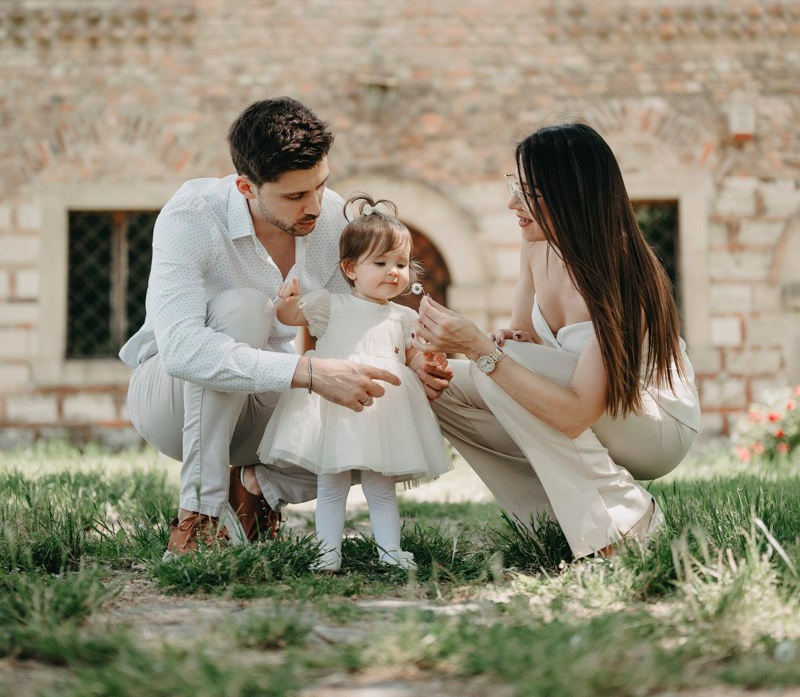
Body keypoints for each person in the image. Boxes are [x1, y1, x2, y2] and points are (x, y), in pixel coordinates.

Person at [120, 98, 402, 559]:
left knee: (389, 404)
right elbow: (182, 350)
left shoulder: (333, 220)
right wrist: (310, 374)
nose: (314, 206)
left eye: (320, 186)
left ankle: (256, 488)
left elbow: (355, 324)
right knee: (244, 309)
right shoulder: (193, 214)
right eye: (294, 197)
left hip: (267, 404)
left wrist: (408, 361)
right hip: (172, 401)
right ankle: (199, 516)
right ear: (246, 187)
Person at [415, 122, 701, 560]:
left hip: (652, 424)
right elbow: (522, 340)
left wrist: (484, 349)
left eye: (529, 192)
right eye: (515, 186)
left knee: (496, 367)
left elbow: (575, 413)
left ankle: (629, 520)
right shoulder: (537, 246)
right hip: (592, 407)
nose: (513, 202)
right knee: (436, 385)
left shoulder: (620, 268)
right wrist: (505, 341)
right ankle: (558, 520)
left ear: (571, 193)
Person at [258, 195, 452, 572]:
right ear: (350, 269)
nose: (393, 272)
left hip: (384, 408)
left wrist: (425, 360)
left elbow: (409, 356)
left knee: (381, 487)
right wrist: (287, 300)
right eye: (380, 263)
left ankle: (390, 550)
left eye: (400, 264)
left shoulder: (403, 317)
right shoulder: (332, 304)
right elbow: (291, 316)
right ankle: (327, 551)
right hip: (338, 406)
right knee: (333, 484)